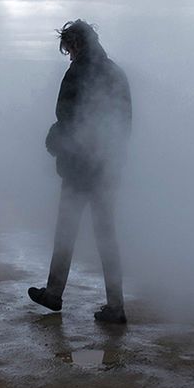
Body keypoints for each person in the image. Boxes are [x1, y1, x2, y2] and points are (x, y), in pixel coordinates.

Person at [28, 19, 132, 324]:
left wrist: (54, 139)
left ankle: (53, 293)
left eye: (69, 49)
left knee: (66, 232)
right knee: (106, 238)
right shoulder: (116, 73)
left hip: (80, 169)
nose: (69, 55)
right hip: (108, 168)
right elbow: (123, 125)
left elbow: (68, 118)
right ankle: (116, 306)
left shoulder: (78, 72)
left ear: (75, 44)